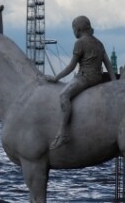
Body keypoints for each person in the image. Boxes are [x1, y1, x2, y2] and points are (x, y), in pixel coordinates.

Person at [47, 15, 116, 149]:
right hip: (98, 78)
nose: (73, 32)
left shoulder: (80, 43)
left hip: (85, 78)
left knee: (63, 95)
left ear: (77, 29)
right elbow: (108, 65)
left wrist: (56, 78)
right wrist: (114, 83)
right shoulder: (99, 43)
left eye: (73, 29)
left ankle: (62, 133)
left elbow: (71, 67)